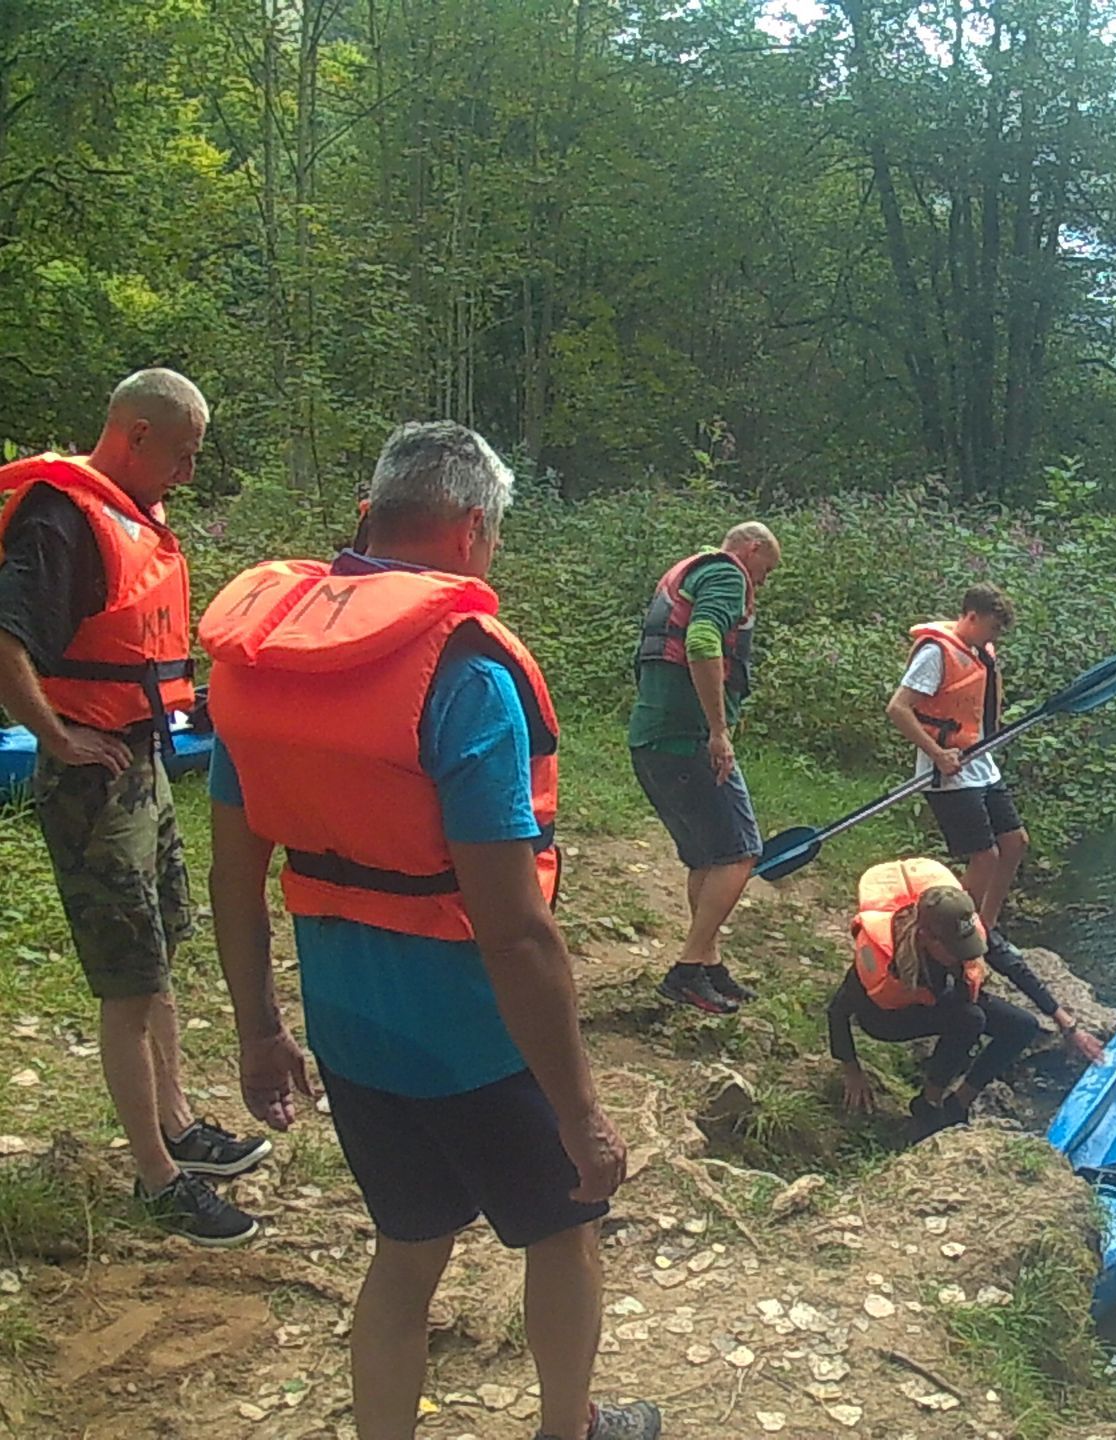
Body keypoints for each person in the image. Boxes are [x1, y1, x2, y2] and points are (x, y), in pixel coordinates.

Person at [201, 422, 658, 1440]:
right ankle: (568, 1429)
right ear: (467, 531)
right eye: (492, 537)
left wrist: (257, 1029)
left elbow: (236, 876)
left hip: (351, 1028)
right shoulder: (465, 675)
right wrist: (581, 1112)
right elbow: (515, 932)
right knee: (566, 1232)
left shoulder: (260, 665)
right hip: (477, 1040)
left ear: (372, 514)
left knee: (407, 1249)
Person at [0, 368, 268, 1246]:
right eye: (184, 454)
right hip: (93, 781)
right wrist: (56, 734)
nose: (189, 475)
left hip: (143, 765)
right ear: (137, 432)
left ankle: (182, 1127)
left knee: (161, 955)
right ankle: (157, 1179)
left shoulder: (132, 516)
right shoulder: (63, 516)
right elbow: (9, 638)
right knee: (128, 979)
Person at [829, 858, 1104, 1139]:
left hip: (942, 998)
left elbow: (1013, 967)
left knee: (1022, 1026)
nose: (966, 954)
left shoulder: (962, 927)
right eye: (956, 948)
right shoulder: (887, 958)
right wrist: (852, 1069)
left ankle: (958, 1103)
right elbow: (837, 1011)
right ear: (926, 937)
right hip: (887, 1019)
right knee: (969, 1018)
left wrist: (1066, 1023)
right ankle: (928, 1105)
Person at [629, 522, 781, 1015]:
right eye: (766, 571)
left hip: (651, 738)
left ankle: (709, 964)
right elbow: (700, 641)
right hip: (688, 739)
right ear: (752, 549)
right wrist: (719, 730)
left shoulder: (688, 573)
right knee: (741, 852)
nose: (761, 583)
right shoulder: (727, 575)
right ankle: (687, 970)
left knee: (707, 858)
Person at [885, 584, 1029, 958]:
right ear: (971, 617)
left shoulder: (980, 652)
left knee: (1015, 843)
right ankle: (941, 941)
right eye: (993, 628)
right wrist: (937, 752)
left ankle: (986, 928)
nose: (994, 637)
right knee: (985, 857)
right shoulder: (936, 652)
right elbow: (898, 709)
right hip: (946, 771)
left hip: (980, 763)